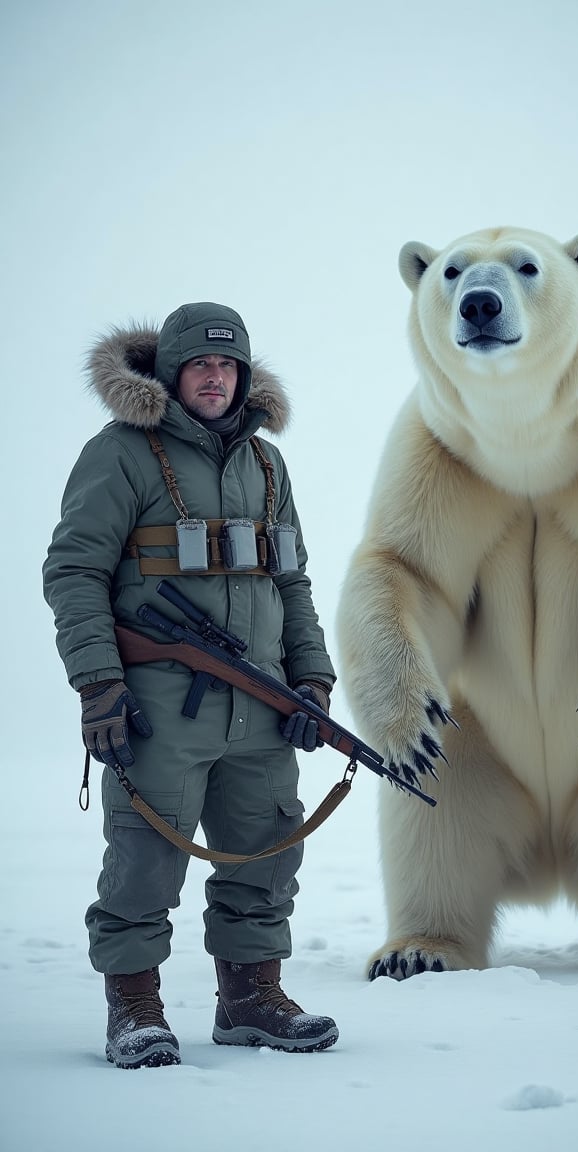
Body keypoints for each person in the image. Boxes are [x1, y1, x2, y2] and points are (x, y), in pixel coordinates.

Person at [43, 302, 339, 1068]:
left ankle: (251, 1000)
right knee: (144, 859)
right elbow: (73, 572)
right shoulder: (122, 454)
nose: (216, 377)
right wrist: (99, 683)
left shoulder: (267, 464)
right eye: (201, 365)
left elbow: (293, 581)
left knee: (267, 852)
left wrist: (311, 677)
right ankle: (135, 1008)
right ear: (172, 373)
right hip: (158, 707)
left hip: (263, 702)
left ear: (243, 375)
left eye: (228, 365)